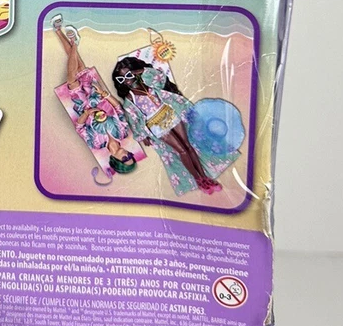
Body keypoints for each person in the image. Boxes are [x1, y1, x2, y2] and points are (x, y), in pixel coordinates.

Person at [111, 56, 222, 196]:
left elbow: (160, 77)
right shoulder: (129, 99)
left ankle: (205, 178)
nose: (126, 80)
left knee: (188, 146)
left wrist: (142, 71)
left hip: (170, 114)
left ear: (134, 72)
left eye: (128, 75)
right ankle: (198, 179)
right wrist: (142, 136)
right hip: (156, 124)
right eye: (121, 79)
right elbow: (134, 120)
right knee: (181, 150)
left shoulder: (149, 83)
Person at [52, 15, 137, 183]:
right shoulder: (123, 133)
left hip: (83, 105)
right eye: (130, 156)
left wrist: (87, 113)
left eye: (125, 158)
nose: (127, 154)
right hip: (98, 97)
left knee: (72, 80)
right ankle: (58, 31)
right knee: (80, 67)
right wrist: (106, 95)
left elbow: (80, 127)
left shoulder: (96, 144)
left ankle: (74, 42)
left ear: (117, 161)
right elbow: (119, 109)